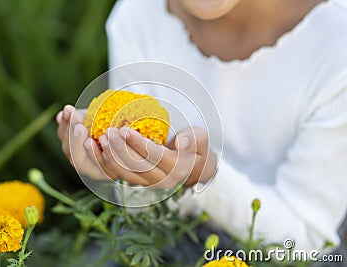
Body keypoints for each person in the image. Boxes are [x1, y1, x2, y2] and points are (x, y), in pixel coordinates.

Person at [57, 0, 347, 255]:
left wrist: (206, 177)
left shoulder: (336, 45)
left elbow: (305, 245)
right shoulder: (137, 16)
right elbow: (140, 215)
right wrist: (121, 168)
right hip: (163, 242)